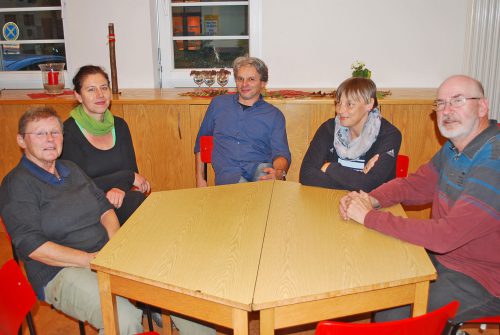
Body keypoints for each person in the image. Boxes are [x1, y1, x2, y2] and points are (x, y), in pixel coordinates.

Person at [339, 75, 500, 322]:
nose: (447, 111)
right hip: (446, 259)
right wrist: (370, 199)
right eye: (441, 103)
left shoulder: (493, 160)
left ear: (482, 106)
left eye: (457, 101)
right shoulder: (455, 147)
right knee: (381, 278)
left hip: (484, 278)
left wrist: (370, 217)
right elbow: (415, 185)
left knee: (393, 314)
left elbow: (445, 236)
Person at [0, 107, 144, 334]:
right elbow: (33, 246)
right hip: (59, 270)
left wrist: (115, 246)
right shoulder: (16, 185)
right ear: (21, 140)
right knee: (122, 318)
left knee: (175, 287)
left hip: (102, 256)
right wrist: (89, 260)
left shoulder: (72, 169)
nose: (50, 139)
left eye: (55, 132)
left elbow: (105, 209)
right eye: (39, 134)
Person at [61, 65, 150, 225]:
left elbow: (132, 170)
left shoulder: (120, 125)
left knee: (137, 200)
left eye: (104, 87)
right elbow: (77, 186)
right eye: (91, 90)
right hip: (84, 206)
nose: (100, 95)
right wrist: (126, 177)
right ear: (78, 96)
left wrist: (120, 188)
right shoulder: (67, 133)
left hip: (116, 199)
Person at [193, 56, 291, 186]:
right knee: (248, 198)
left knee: (272, 197)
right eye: (240, 79)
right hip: (229, 175)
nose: (244, 84)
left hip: (261, 172)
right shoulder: (218, 105)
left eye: (251, 79)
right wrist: (200, 180)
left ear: (262, 83)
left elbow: (281, 153)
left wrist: (278, 173)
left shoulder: (274, 115)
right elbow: (201, 144)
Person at [300, 77, 401, 191]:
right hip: (333, 200)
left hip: (371, 205)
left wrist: (329, 168)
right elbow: (306, 175)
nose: (340, 110)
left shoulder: (389, 135)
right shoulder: (329, 129)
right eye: (338, 103)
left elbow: (370, 185)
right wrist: (358, 182)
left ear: (369, 103)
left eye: (349, 104)